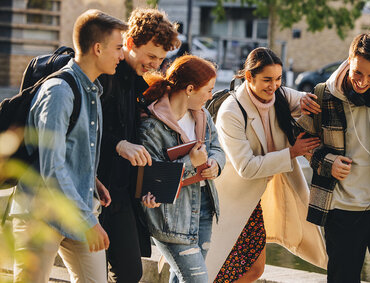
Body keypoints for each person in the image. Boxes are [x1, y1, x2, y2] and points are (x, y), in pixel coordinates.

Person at [10, 9, 127, 283]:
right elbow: (51, 166)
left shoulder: (94, 91)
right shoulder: (59, 92)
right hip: (40, 215)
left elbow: (70, 149)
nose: (122, 55)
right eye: (119, 48)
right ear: (98, 48)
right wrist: (89, 221)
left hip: (78, 209)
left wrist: (93, 179)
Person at [206, 47, 328, 283]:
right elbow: (246, 167)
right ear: (249, 77)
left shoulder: (279, 96)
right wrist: (291, 153)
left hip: (254, 199)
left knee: (255, 268)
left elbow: (307, 100)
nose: (273, 85)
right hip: (230, 201)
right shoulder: (231, 112)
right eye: (267, 79)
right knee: (221, 268)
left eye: (279, 79)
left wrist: (310, 102)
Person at [305, 33, 370, 282]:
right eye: (357, 73)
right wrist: (328, 163)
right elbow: (303, 145)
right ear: (349, 60)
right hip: (342, 209)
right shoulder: (322, 96)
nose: (363, 82)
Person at [96, 8, 180, 282]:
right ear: (130, 43)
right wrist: (118, 144)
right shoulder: (104, 74)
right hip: (92, 189)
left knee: (129, 273)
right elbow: (86, 130)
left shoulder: (136, 83)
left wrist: (145, 190)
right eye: (151, 56)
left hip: (119, 195)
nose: (155, 64)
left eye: (161, 59)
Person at [138, 54, 225, 283]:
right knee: (197, 280)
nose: (211, 95)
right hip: (171, 217)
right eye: (208, 90)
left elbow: (216, 147)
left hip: (204, 208)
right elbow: (151, 176)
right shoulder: (152, 125)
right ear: (189, 89)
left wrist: (216, 164)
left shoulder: (202, 115)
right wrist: (191, 163)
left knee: (181, 278)